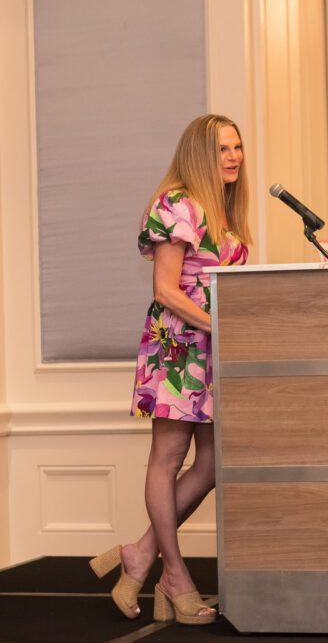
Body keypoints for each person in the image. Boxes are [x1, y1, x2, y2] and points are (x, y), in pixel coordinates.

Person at [89, 114, 251, 626]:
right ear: (200, 153)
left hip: (213, 348)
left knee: (212, 463)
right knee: (169, 456)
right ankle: (175, 574)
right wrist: (219, 327)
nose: (234, 157)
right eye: (223, 148)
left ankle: (139, 553)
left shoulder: (223, 212)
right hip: (179, 348)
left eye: (238, 147)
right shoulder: (176, 203)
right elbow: (165, 289)